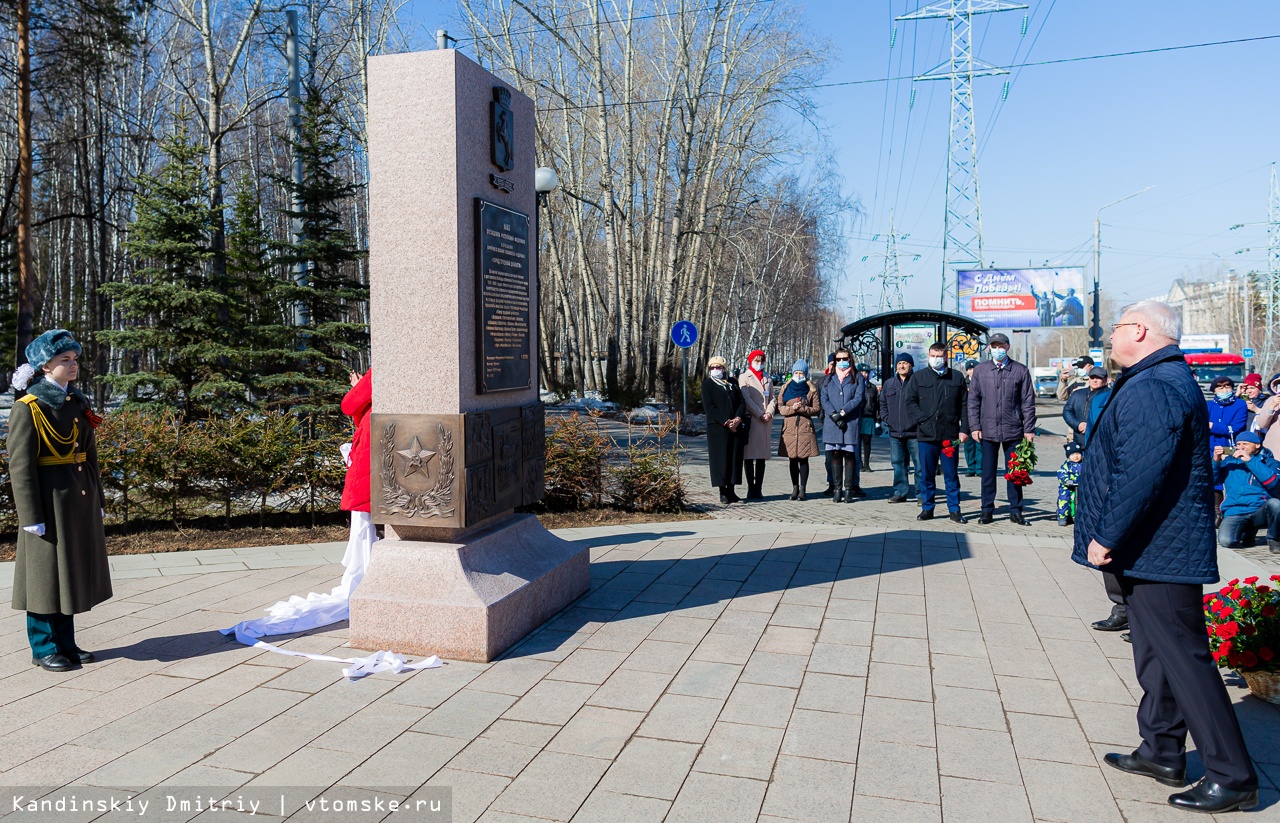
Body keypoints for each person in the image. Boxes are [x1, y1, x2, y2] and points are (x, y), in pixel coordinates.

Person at [1077, 300, 1258, 814]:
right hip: (1151, 546)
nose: (1110, 337)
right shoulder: (1156, 377)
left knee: (1184, 659)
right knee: (1155, 654)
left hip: (1158, 546)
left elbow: (1142, 471)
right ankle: (1161, 750)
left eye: (1115, 328)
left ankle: (1233, 774)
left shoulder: (1156, 384)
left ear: (1140, 330)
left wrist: (1106, 534)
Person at [8, 330, 111, 672]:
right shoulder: (30, 408)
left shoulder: (76, 402)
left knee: (66, 575)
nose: (73, 365)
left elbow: (89, 454)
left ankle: (66, 643)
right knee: (43, 577)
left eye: (75, 359)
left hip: (75, 501)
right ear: (44, 366)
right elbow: (21, 466)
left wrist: (96, 496)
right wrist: (30, 515)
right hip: (46, 502)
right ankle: (43, 647)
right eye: (64, 360)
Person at [968, 332, 1037, 525]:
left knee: (1015, 473)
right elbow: (973, 401)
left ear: (1007, 347)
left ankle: (1016, 510)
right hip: (987, 430)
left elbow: (1027, 402)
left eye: (1001, 346)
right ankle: (986, 510)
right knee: (987, 473)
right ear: (989, 348)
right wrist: (974, 426)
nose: (997, 349)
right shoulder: (981, 371)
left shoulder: (1020, 370)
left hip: (1013, 430)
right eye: (994, 346)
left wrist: (1029, 429)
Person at [904, 343, 969, 523]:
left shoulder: (956, 377)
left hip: (949, 435)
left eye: (939, 356)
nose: (936, 359)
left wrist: (965, 429)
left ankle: (954, 510)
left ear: (946, 357)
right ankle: (927, 508)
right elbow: (910, 402)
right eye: (933, 355)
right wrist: (923, 420)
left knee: (951, 474)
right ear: (928, 356)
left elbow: (965, 405)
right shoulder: (918, 377)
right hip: (926, 435)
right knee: (927, 474)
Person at [1213, 431, 1280, 553]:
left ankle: (1274, 539)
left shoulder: (1270, 462)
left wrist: (1250, 461)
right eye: (1238, 444)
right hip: (1236, 510)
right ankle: (1247, 531)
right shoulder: (1230, 461)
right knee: (1226, 541)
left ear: (1257, 445)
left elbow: (1272, 482)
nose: (1241, 447)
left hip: (1259, 509)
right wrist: (1216, 461)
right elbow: (1211, 481)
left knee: (1276, 504)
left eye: (1245, 444)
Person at [820, 347, 865, 503]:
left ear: (850, 359)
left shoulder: (857, 377)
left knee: (850, 455)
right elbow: (824, 398)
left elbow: (859, 398)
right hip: (833, 423)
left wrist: (843, 412)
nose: (842, 362)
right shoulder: (828, 379)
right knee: (836, 455)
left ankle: (849, 489)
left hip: (850, 421)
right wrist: (833, 414)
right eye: (838, 359)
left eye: (844, 359)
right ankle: (837, 489)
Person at [703, 356, 748, 504]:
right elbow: (710, 407)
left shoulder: (733, 383)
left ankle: (732, 490)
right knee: (721, 460)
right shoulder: (708, 384)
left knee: (734, 459)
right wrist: (725, 422)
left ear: (724, 369)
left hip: (735, 427)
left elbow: (741, 402)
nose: (716, 370)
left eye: (719, 367)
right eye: (713, 367)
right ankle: (723, 491)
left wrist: (738, 418)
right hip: (718, 429)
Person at [777, 360, 821, 500]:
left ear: (805, 374)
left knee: (803, 459)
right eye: (796, 372)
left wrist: (802, 409)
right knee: (792, 460)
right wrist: (791, 409)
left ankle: (803, 489)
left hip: (804, 428)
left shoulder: (811, 389)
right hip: (789, 428)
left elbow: (816, 409)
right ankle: (794, 488)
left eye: (801, 373)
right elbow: (780, 407)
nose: (798, 375)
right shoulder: (786, 388)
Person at [1207, 376, 1248, 521]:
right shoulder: (1209, 405)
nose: (1224, 390)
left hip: (1231, 447)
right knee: (1214, 479)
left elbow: (1236, 427)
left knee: (1231, 477)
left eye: (1227, 386)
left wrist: (1212, 426)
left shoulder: (1240, 405)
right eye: (1220, 387)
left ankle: (1233, 511)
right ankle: (1217, 512)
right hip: (1211, 447)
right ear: (1214, 390)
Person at [880, 353, 918, 503]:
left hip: (914, 431)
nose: (902, 366)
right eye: (899, 363)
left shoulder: (917, 382)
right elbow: (882, 404)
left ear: (911, 365)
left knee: (919, 465)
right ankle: (900, 492)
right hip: (895, 432)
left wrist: (918, 420)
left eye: (905, 363)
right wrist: (887, 419)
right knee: (898, 464)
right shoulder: (889, 384)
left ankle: (921, 494)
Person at [738, 349, 776, 500]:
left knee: (761, 456)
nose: (759, 364)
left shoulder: (768, 378)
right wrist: (759, 413)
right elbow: (746, 399)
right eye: (756, 361)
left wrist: (769, 412)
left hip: (765, 421)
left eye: (761, 361)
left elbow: (773, 397)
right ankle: (750, 488)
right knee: (749, 456)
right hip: (753, 420)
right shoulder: (744, 377)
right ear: (751, 361)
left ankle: (758, 488)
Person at [1063, 366, 1111, 445]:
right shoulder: (1077, 394)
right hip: (1079, 441)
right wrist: (1078, 424)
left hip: (1101, 443)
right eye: (1092, 377)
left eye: (1098, 378)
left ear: (1105, 379)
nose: (1095, 380)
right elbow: (1067, 411)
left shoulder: (1110, 395)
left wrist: (1091, 427)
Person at [857, 363, 880, 472]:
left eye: (866, 372)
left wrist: (878, 419)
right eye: (861, 372)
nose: (864, 374)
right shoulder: (854, 385)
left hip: (869, 417)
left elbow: (876, 404)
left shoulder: (872, 388)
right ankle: (859, 463)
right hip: (857, 417)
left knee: (867, 442)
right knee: (857, 442)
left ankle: (866, 464)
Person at [962, 360, 982, 477]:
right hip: (967, 417)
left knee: (979, 443)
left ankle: (980, 468)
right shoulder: (964, 384)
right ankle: (971, 467)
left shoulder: (982, 382)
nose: (971, 371)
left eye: (974, 369)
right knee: (968, 444)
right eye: (969, 369)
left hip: (980, 416)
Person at [1056, 442, 1083, 526]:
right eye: (1073, 454)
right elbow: (1061, 473)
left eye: (1078, 453)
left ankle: (1080, 517)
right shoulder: (1066, 465)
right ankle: (1062, 516)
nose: (1076, 456)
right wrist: (1067, 480)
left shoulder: (1084, 464)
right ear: (1068, 456)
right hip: (1067, 486)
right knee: (1064, 499)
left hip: (1079, 486)